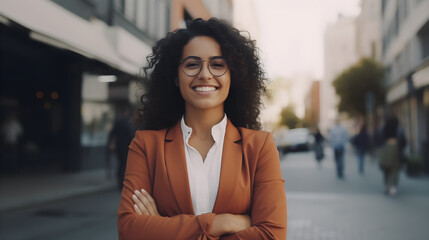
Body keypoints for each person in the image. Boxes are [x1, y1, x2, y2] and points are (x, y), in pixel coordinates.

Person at [117, 18, 287, 239]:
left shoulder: (259, 147)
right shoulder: (146, 145)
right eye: (192, 64)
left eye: (217, 64)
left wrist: (161, 226)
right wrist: (220, 223)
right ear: (176, 77)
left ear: (232, 76)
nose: (205, 74)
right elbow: (129, 230)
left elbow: (272, 234)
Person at [108, 106, 135, 190]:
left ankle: (119, 182)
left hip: (118, 146)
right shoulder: (128, 123)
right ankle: (122, 183)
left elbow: (112, 133)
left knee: (120, 164)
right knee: (124, 165)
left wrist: (111, 143)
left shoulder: (118, 122)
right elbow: (131, 136)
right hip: (126, 147)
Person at [378, 115, 406, 196]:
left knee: (386, 168)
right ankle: (393, 187)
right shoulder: (399, 128)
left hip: (385, 148)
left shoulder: (383, 127)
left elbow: (379, 138)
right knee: (395, 168)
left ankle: (386, 185)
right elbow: (404, 141)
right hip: (396, 148)